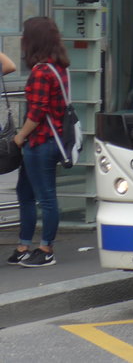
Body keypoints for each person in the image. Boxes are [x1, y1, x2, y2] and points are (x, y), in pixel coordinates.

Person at [8, 17, 70, 269]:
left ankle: (46, 249)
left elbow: (36, 112)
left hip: (41, 142)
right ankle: (24, 246)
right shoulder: (59, 67)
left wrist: (20, 136)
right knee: (25, 192)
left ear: (32, 40)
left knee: (44, 197)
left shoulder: (42, 71)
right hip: (49, 140)